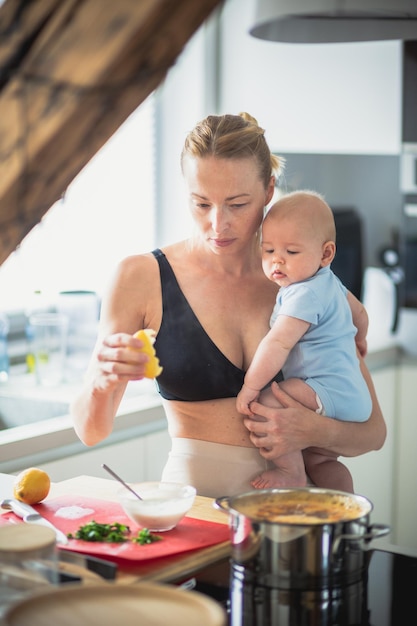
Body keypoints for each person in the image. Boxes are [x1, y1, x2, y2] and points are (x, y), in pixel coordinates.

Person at [70, 112, 386, 499]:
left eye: (237, 204)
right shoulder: (140, 277)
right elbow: (90, 431)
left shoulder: (302, 278)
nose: (218, 225)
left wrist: (315, 431)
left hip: (297, 515)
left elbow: (373, 433)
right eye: (201, 204)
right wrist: (103, 378)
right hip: (196, 512)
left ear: (269, 190)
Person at [236, 190, 372, 492]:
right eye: (268, 250)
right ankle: (345, 505)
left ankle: (290, 472)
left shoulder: (303, 294)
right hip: (351, 395)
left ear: (326, 254)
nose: (277, 262)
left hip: (325, 388)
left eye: (292, 252)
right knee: (322, 461)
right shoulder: (330, 281)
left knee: (271, 401)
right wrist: (360, 338)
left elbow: (278, 344)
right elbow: (360, 313)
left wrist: (251, 387)